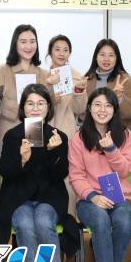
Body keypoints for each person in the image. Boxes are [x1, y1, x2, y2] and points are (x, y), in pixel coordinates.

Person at [0, 84, 73, 262]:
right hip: (19, 197)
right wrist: (22, 160)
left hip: (49, 196)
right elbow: (6, 172)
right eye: (30, 103)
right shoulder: (12, 135)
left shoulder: (58, 136)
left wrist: (53, 152)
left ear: (48, 107)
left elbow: (61, 174)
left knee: (44, 222)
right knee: (25, 224)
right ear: (23, 108)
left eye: (40, 103)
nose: (35, 108)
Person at [68, 87, 131, 262]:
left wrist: (111, 150)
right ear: (89, 108)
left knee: (124, 220)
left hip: (120, 196)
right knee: (100, 220)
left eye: (108, 105)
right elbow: (76, 176)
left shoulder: (125, 135)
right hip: (90, 198)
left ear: (115, 109)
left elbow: (125, 170)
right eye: (97, 104)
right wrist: (93, 196)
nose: (102, 109)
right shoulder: (79, 138)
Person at [45, 35, 87, 216]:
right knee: (43, 173)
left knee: (67, 176)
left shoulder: (76, 76)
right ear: (50, 52)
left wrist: (79, 91)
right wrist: (49, 95)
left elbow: (80, 109)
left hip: (66, 132)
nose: (61, 53)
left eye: (65, 50)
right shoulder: (42, 75)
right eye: (57, 49)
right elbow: (30, 104)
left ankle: (69, 217)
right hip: (42, 131)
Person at [0, 24, 52, 147]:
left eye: (32, 42)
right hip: (8, 130)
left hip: (35, 131)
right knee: (10, 158)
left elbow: (48, 107)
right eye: (23, 42)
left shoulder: (45, 74)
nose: (29, 46)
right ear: (15, 44)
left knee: (33, 157)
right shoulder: (2, 71)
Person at [83, 39, 131, 130]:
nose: (106, 59)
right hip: (90, 132)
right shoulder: (87, 79)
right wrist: (78, 93)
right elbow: (80, 111)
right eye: (102, 54)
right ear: (96, 57)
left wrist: (120, 98)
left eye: (111, 55)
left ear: (117, 58)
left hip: (117, 133)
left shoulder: (126, 80)